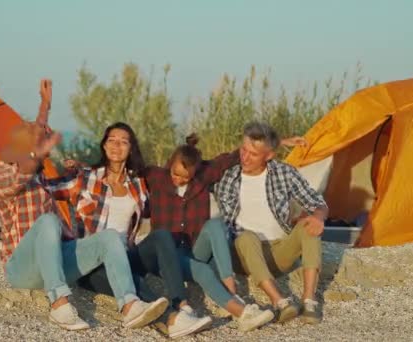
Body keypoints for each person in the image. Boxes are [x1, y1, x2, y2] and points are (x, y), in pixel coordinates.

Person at [75, 133, 305, 332]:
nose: (179, 180)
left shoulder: (204, 175)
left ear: (196, 172)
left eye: (185, 177)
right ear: (169, 165)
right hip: (167, 256)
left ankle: (231, 288)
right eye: (176, 174)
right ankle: (242, 313)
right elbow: (123, 166)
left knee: (216, 225)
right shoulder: (155, 176)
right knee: (202, 269)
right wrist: (81, 167)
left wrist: (277, 142)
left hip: (194, 249)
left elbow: (235, 155)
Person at [0, 79, 168, 331]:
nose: (46, 146)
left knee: (109, 238)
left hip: (55, 263)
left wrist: (45, 105)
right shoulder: (0, 176)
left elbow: (37, 142)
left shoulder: (41, 178)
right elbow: (22, 174)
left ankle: (130, 306)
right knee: (49, 221)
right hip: (21, 269)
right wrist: (40, 155)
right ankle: (59, 305)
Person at [41, 122, 213, 339]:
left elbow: (165, 193)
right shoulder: (85, 177)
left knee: (161, 235)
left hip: (128, 256)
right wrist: (39, 152)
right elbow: (46, 187)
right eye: (111, 140)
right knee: (129, 277)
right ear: (104, 146)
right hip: (93, 266)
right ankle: (170, 319)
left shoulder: (138, 183)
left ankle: (182, 304)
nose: (116, 145)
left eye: (123, 141)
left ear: (131, 148)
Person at [214, 121, 328, 324]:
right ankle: (280, 302)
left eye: (253, 154)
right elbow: (198, 169)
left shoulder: (284, 173)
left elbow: (317, 202)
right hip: (243, 254)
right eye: (243, 150)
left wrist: (318, 216)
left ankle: (309, 299)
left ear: (269, 156)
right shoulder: (228, 177)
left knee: (308, 225)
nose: (245, 157)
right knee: (246, 237)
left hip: (279, 253)